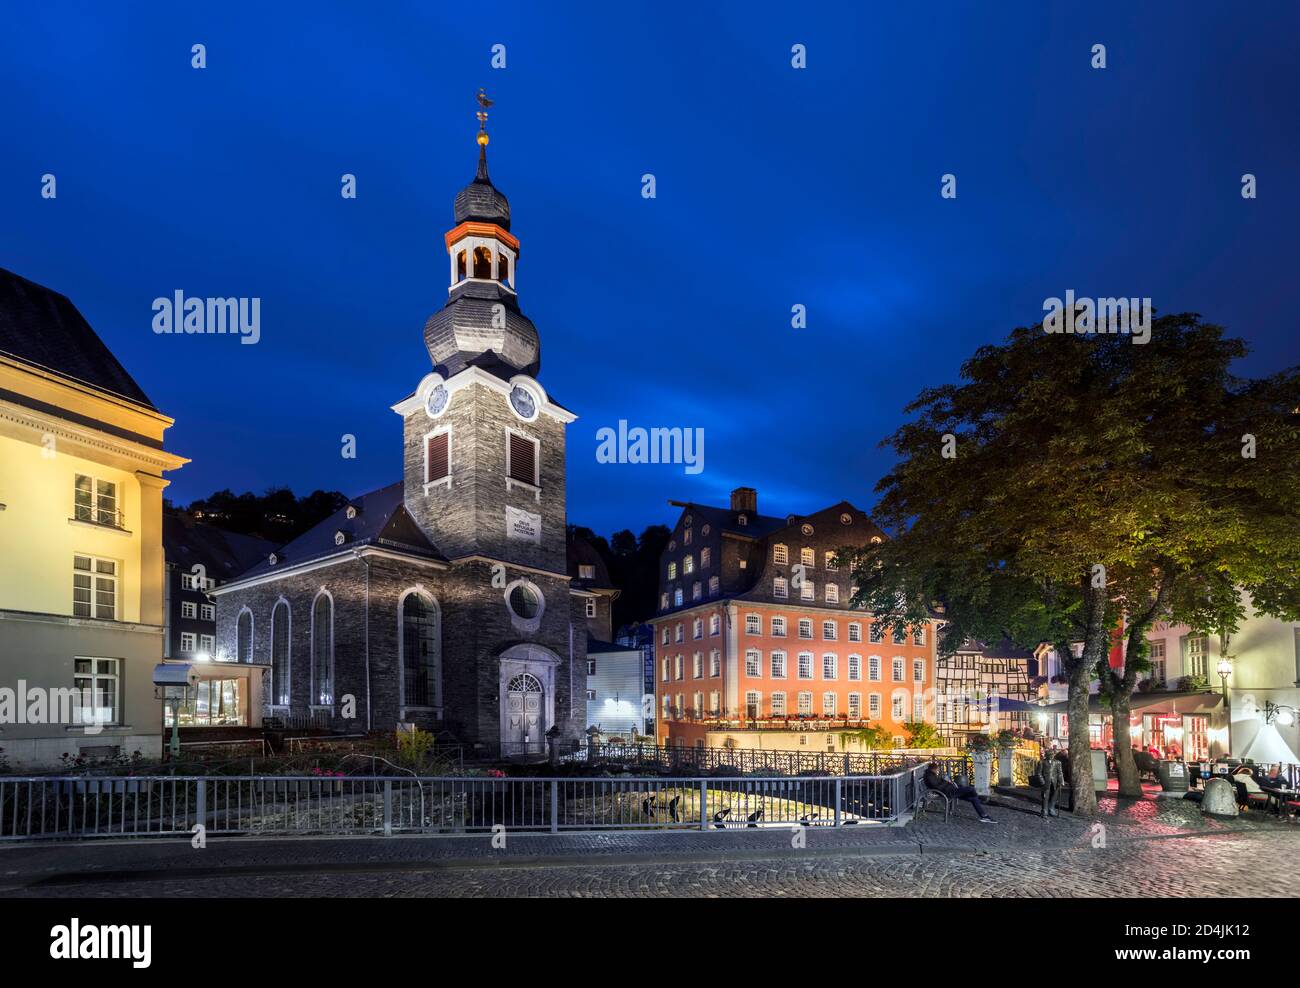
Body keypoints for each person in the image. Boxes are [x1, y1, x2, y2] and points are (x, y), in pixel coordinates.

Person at [924, 761, 994, 823]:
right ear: (933, 769)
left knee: (973, 799)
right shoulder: (930, 776)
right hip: (948, 792)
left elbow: (941, 782)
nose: (938, 771)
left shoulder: (932, 775)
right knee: (971, 789)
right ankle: (980, 799)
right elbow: (938, 787)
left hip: (950, 789)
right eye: (937, 769)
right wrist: (947, 783)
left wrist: (947, 782)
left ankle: (984, 816)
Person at [1036, 749, 1066, 818]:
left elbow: (1060, 773)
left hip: (1055, 783)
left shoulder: (1057, 762)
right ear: (1046, 755)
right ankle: (1044, 811)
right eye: (1049, 755)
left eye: (1052, 755)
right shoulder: (1041, 762)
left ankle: (1051, 809)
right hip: (1046, 782)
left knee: (1054, 797)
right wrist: (1042, 782)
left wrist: (1061, 781)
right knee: (1045, 797)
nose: (1051, 756)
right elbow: (1039, 773)